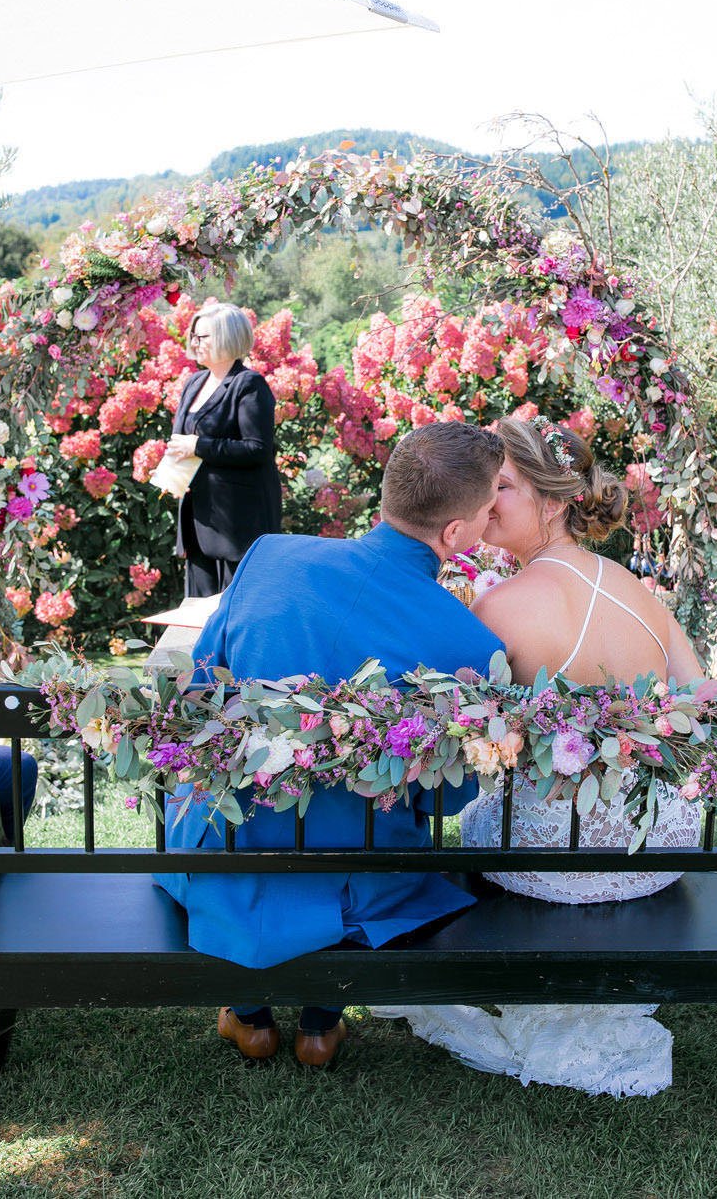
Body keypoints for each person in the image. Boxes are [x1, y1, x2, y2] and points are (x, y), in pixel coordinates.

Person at [155, 422, 505, 1067]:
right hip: (359, 869)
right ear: (455, 533)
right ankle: (320, 1025)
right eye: (488, 509)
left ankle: (250, 1017)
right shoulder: (468, 643)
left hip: (233, 846)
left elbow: (204, 682)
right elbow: (447, 797)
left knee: (238, 825)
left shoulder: (270, 556)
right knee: (364, 837)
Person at [379, 415, 704, 1097]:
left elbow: (460, 737)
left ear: (554, 501)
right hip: (657, 848)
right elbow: (713, 698)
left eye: (502, 487)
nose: (485, 502)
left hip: (560, 854)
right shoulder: (641, 591)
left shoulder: (500, 605)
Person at [167, 302, 282, 598]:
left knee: (237, 607)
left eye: (202, 336)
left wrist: (199, 446)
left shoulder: (249, 384)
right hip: (198, 516)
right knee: (198, 611)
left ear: (227, 337)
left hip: (237, 522)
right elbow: (184, 439)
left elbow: (257, 448)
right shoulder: (194, 382)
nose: (194, 342)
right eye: (193, 335)